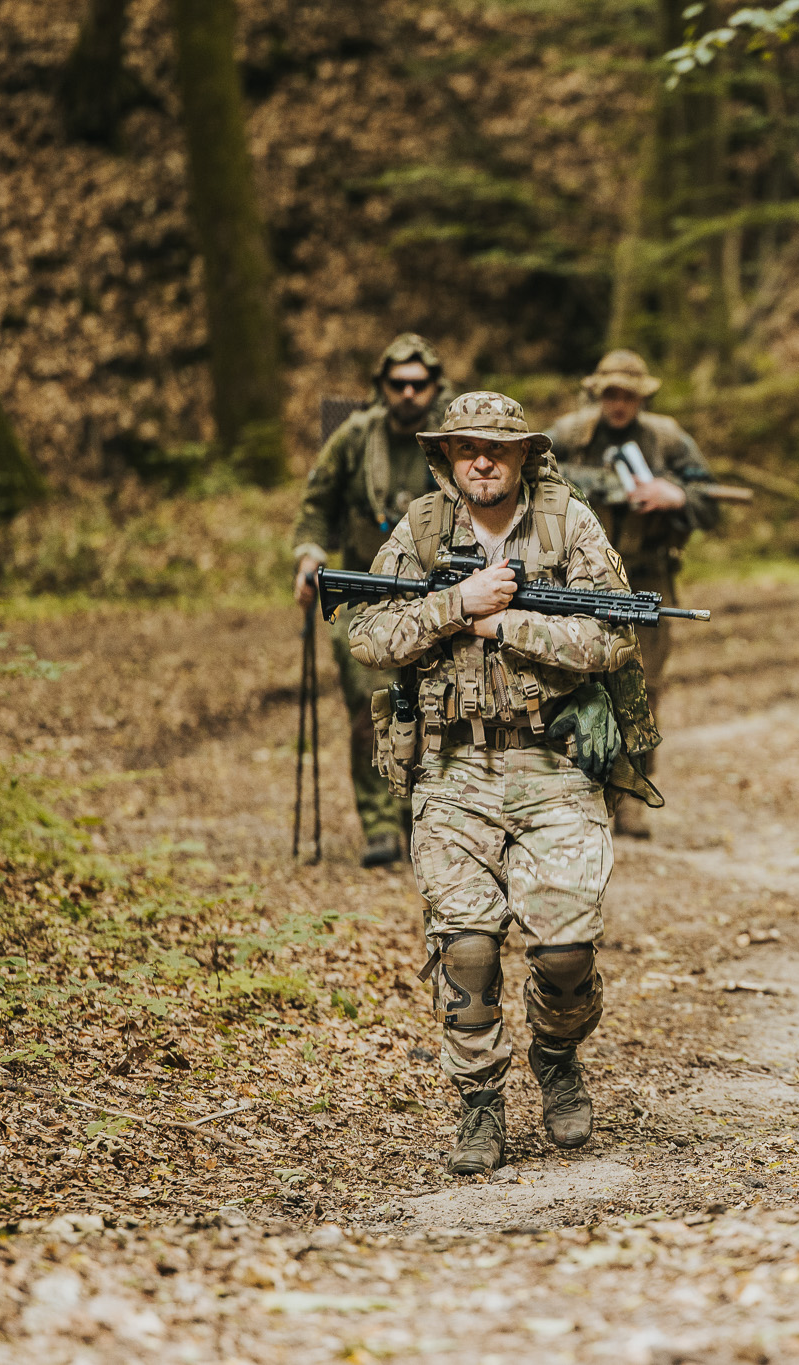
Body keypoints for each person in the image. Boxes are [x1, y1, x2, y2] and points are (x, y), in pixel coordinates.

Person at [348, 391, 640, 1176]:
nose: (482, 460)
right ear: (446, 456)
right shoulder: (420, 530)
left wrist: (507, 624)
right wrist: (456, 606)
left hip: (553, 764)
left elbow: (614, 631)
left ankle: (555, 1052)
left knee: (566, 955)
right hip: (451, 768)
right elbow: (367, 633)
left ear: (524, 456)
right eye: (467, 447)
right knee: (468, 950)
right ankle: (480, 1099)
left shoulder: (565, 522)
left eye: (498, 448)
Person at [291, 334, 453, 867]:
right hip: (363, 589)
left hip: (438, 591)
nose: (408, 393)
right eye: (397, 384)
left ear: (434, 386)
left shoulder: (454, 440)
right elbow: (317, 503)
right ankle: (380, 822)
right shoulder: (356, 437)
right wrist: (310, 553)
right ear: (382, 386)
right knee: (370, 706)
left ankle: (421, 815)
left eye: (418, 384)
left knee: (434, 704)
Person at [547, 349, 718, 838]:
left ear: (642, 397)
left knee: (642, 686)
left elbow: (712, 499)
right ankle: (578, 788)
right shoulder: (567, 437)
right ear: (596, 394)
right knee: (573, 677)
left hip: (648, 577)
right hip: (579, 579)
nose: (618, 404)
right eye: (610, 394)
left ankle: (633, 790)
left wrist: (677, 495)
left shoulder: (667, 439)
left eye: (628, 395)